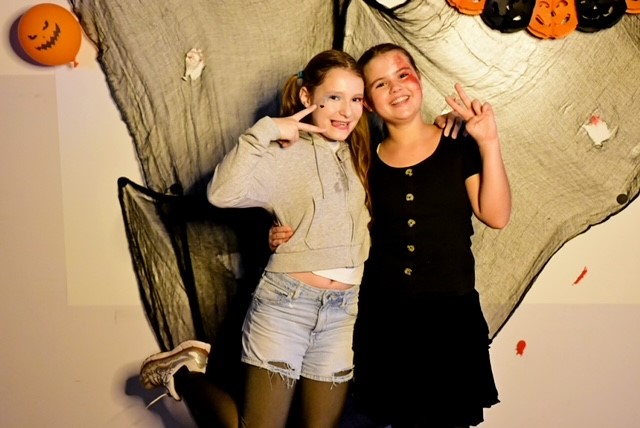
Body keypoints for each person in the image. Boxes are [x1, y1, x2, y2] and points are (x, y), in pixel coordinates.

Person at [270, 43, 511, 428]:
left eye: (402, 75)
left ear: (419, 79)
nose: (396, 87)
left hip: (450, 324)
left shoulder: (458, 144)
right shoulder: (361, 159)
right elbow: (326, 215)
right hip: (383, 323)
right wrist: (285, 231)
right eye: (380, 84)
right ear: (367, 102)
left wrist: (488, 141)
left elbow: (496, 215)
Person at [142, 49, 372, 428]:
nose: (346, 111)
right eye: (334, 97)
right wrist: (266, 130)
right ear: (307, 96)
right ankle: (183, 372)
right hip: (287, 306)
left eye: (356, 99)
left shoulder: (358, 154)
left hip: (342, 312)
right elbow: (221, 194)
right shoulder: (283, 151)